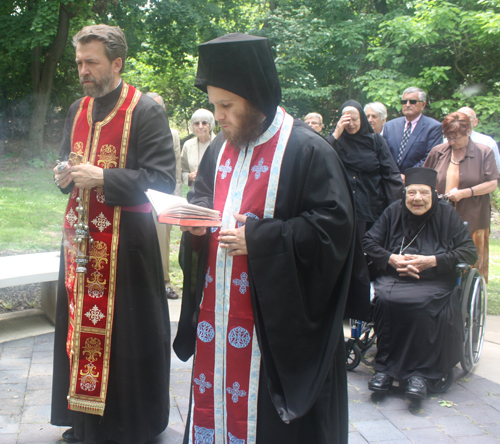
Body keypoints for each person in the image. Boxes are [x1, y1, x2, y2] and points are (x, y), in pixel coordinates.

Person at [173, 33, 355, 444]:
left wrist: (261, 239)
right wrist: (196, 226)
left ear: (255, 98)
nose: (217, 116)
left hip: (274, 327)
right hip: (217, 314)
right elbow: (203, 197)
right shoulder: (220, 147)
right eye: (215, 105)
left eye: (226, 106)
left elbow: (335, 232)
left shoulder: (308, 150)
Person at [50, 24, 175, 444]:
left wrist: (102, 176)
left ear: (116, 63)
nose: (82, 70)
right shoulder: (77, 109)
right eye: (79, 62)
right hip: (82, 241)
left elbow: (163, 181)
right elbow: (70, 164)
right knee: (77, 329)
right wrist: (65, 176)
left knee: (127, 335)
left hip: (127, 246)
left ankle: (127, 424)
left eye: (91, 62)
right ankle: (85, 421)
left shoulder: (144, 109)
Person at [363, 167, 477, 400]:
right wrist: (391, 259)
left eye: (423, 193)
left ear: (433, 194)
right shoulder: (393, 211)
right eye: (411, 193)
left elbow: (468, 253)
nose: (417, 199)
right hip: (395, 278)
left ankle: (421, 374)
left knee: (423, 303)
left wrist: (433, 261)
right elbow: (368, 241)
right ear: (404, 194)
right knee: (385, 298)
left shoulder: (446, 214)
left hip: (434, 281)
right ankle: (385, 369)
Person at [424, 111, 499, 282]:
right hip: (440, 217)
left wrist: (465, 193)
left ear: (468, 132)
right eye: (449, 137)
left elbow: (492, 184)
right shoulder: (438, 151)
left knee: (472, 259)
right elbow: (425, 178)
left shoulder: (484, 152)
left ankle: (471, 293)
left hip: (473, 216)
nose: (452, 141)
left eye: (456, 137)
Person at [327, 100, 403, 237]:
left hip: (371, 207)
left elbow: (391, 175)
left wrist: (395, 207)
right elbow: (321, 160)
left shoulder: (375, 141)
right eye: (346, 120)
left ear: (362, 118)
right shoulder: (335, 141)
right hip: (342, 208)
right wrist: (336, 134)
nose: (351, 124)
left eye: (355, 119)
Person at [146, 92, 181, 299]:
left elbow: (176, 168)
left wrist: (174, 199)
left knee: (161, 241)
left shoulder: (173, 133)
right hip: (138, 195)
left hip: (163, 196)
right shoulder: (132, 129)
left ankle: (164, 282)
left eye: (157, 107)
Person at [383, 87, 443, 174]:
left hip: (418, 180)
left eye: (412, 102)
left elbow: (430, 158)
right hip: (391, 179)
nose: (407, 105)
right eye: (404, 102)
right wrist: (394, 175)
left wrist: (408, 176)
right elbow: (384, 154)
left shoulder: (433, 127)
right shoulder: (390, 126)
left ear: (423, 104)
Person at [181, 109, 216, 187]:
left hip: (216, 192)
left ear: (211, 125)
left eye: (204, 123)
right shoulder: (188, 145)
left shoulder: (220, 143)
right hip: (196, 193)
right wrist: (189, 177)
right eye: (196, 123)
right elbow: (182, 171)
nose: (200, 127)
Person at [457, 106, 500, 171]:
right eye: (460, 117)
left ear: (475, 122)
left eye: (468, 117)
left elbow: (496, 169)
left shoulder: (487, 142)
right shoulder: (446, 142)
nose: (464, 120)